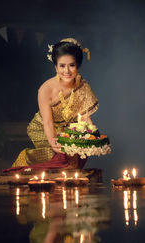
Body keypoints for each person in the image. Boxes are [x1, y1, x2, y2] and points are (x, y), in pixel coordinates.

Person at [6, 38, 98, 171]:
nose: (67, 71)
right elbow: (48, 123)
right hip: (44, 128)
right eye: (62, 66)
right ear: (55, 66)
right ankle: (25, 160)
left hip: (67, 129)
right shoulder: (46, 89)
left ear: (78, 66)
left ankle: (66, 184)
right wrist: (53, 142)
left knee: (79, 152)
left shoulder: (82, 86)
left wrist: (94, 136)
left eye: (71, 65)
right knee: (54, 154)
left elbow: (85, 118)